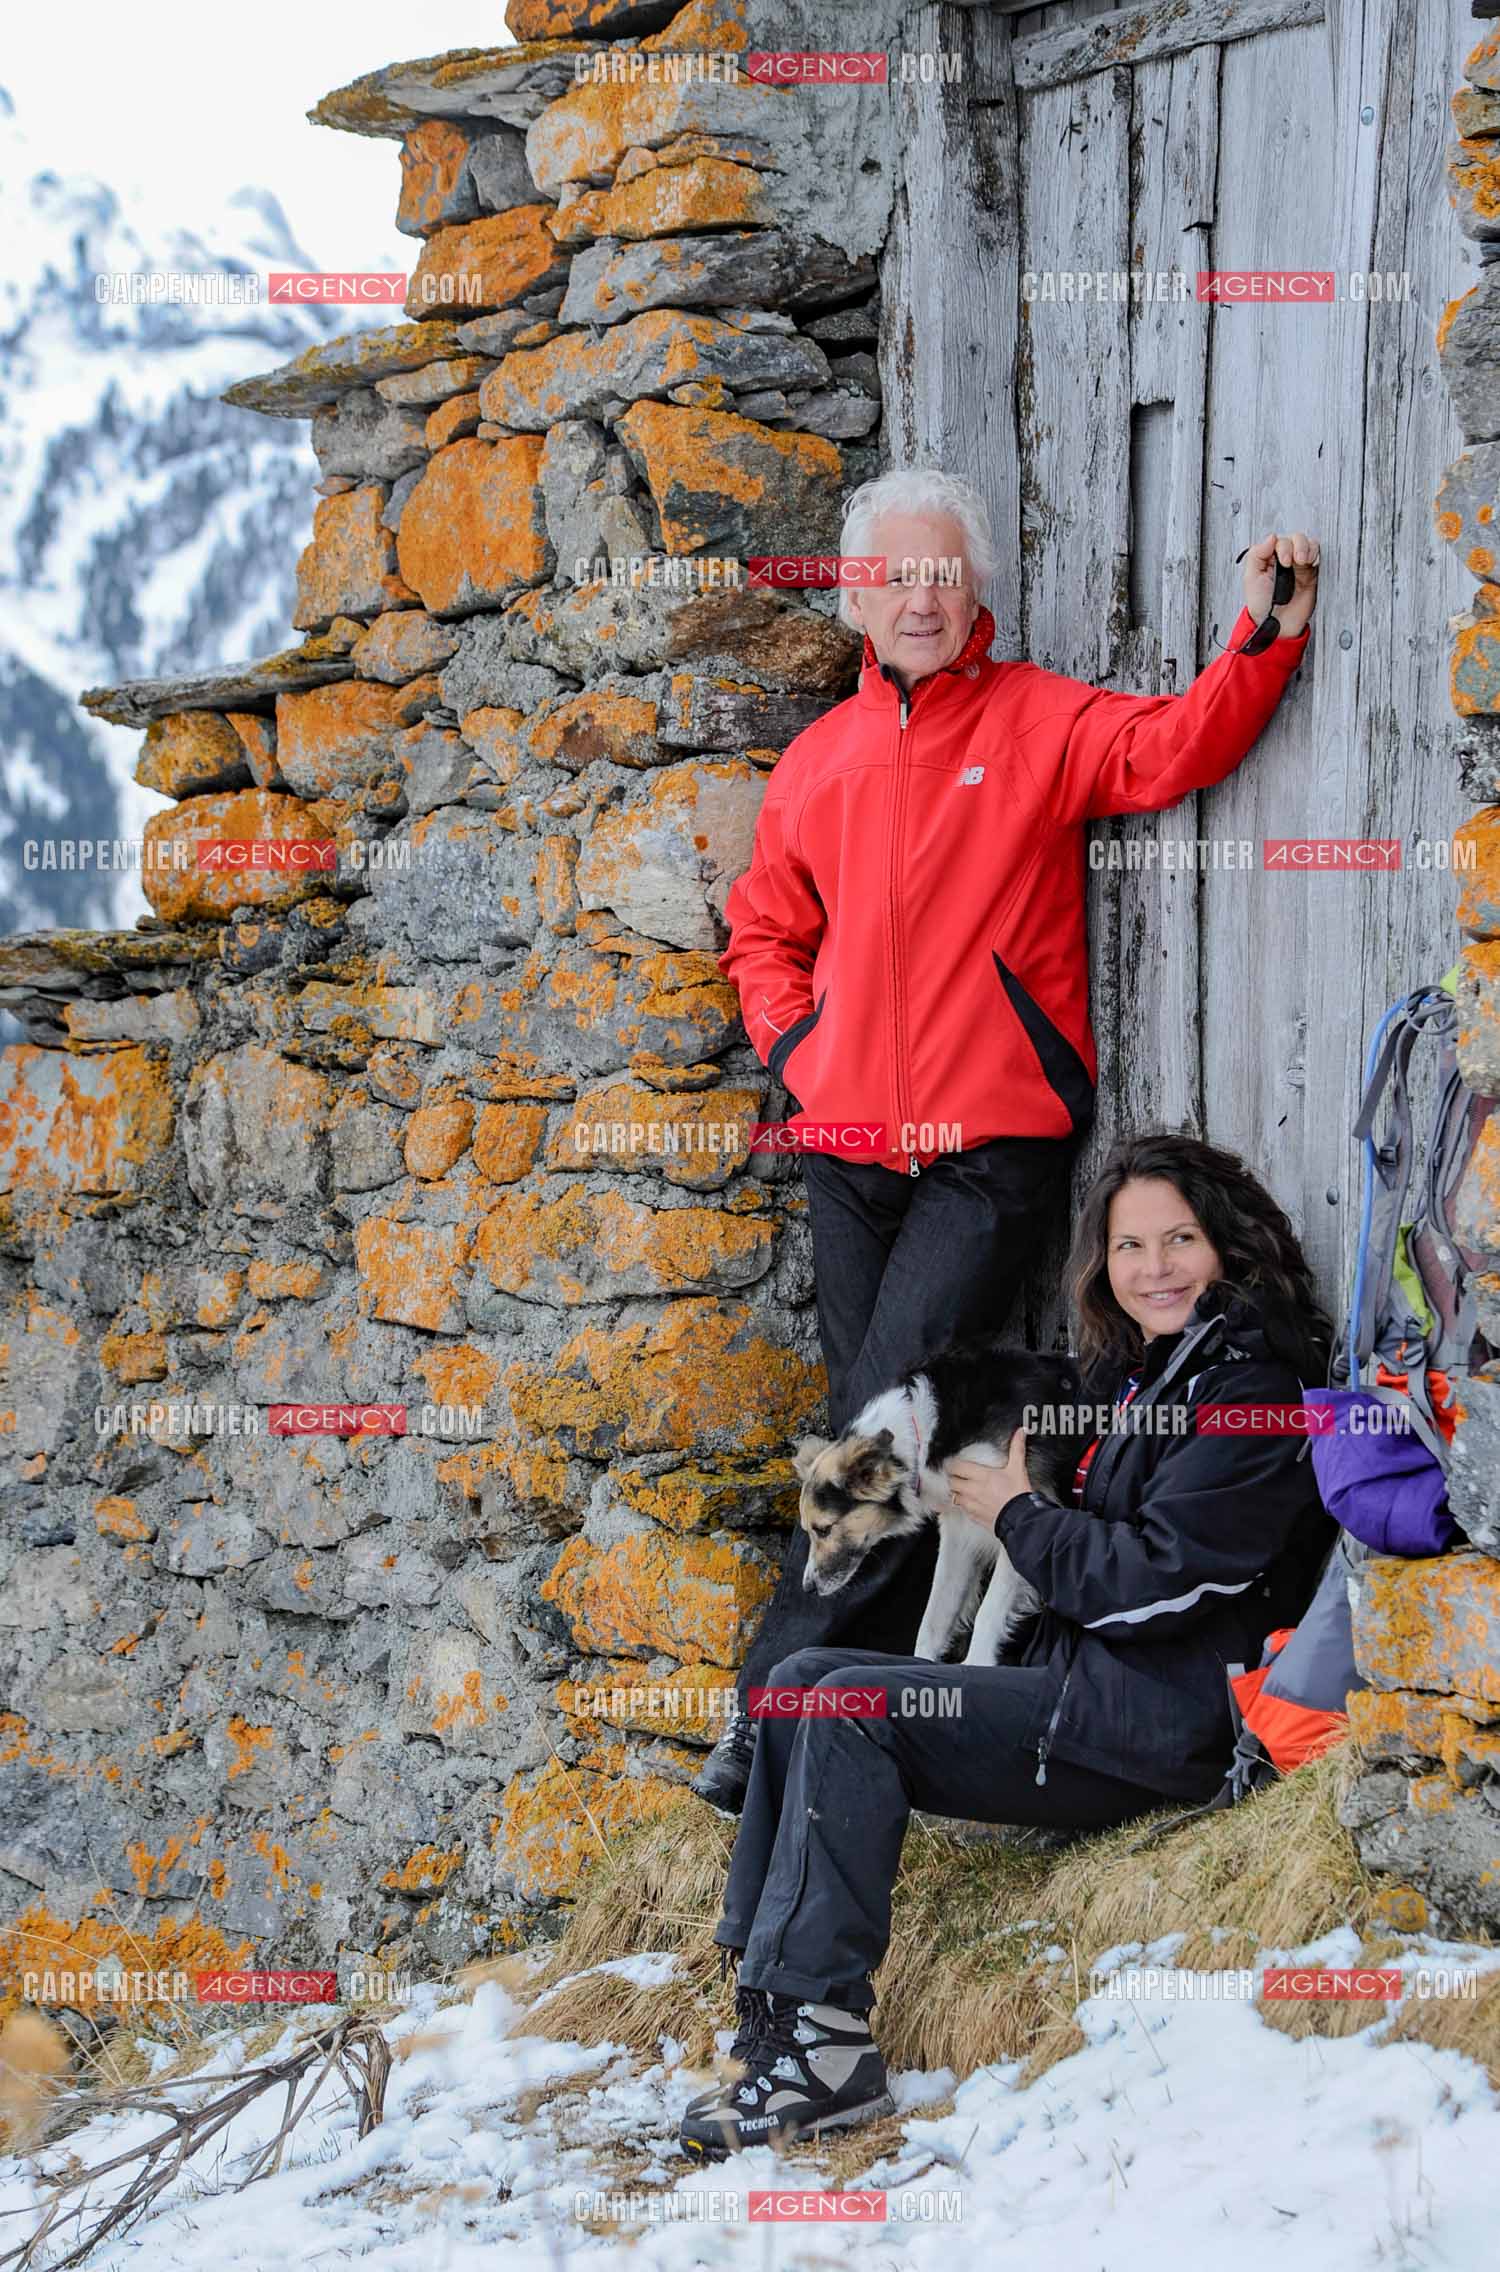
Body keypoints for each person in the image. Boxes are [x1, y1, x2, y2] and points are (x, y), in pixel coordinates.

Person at [696, 468, 1321, 1811]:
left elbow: (1171, 747)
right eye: (895, 577)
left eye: (942, 573)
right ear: (857, 596)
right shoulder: (820, 762)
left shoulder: (1036, 720)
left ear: (972, 587)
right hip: (849, 1146)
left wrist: (1259, 641)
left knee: (872, 1420)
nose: (920, 598)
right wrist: (802, 1055)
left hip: (991, 1143)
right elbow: (763, 933)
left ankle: (767, 1718)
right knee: (888, 1429)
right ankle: (886, 1715)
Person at [678, 1132, 1336, 2160]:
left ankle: (828, 2046)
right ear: (1102, 1263)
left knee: (851, 1711)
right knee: (803, 1680)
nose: (1153, 1267)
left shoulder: (1251, 1391)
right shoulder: (1156, 1372)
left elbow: (1160, 1585)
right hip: (1089, 1690)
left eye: (1180, 1240)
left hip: (1159, 1726)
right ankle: (770, 2009)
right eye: (1129, 1246)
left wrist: (1021, 1512)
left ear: (1231, 1248)